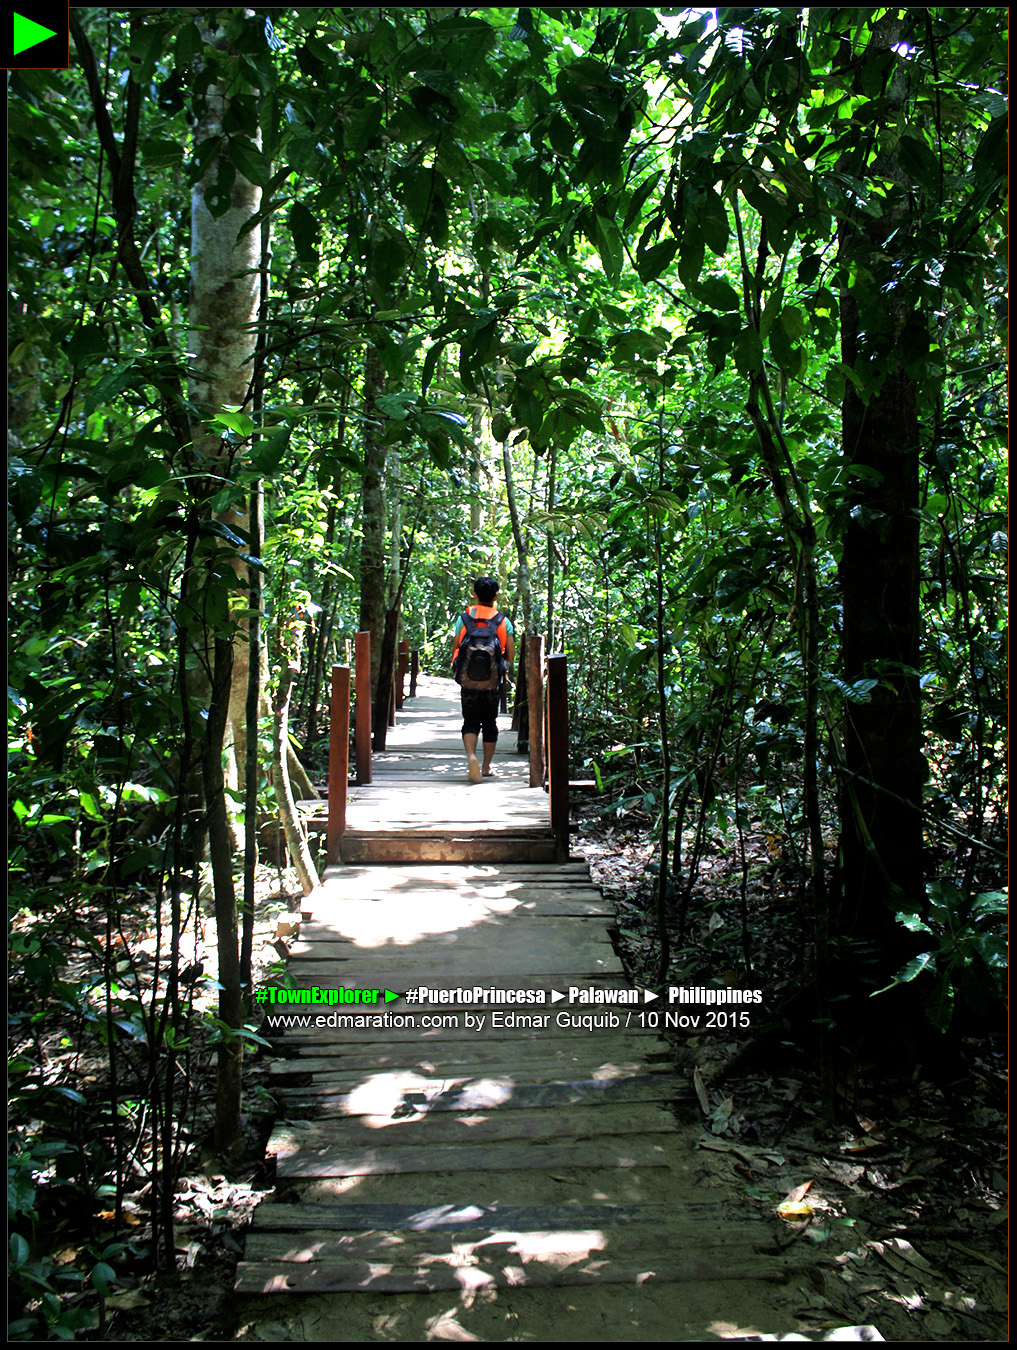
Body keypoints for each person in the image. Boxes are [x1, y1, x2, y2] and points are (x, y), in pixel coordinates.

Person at [451, 576, 514, 783]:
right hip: (492, 683)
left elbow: (456, 648)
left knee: (470, 720)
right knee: (490, 722)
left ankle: (471, 757)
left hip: (468, 680)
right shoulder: (503, 621)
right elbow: (510, 654)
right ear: (495, 597)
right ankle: (486, 766)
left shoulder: (465, 618)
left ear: (475, 595)